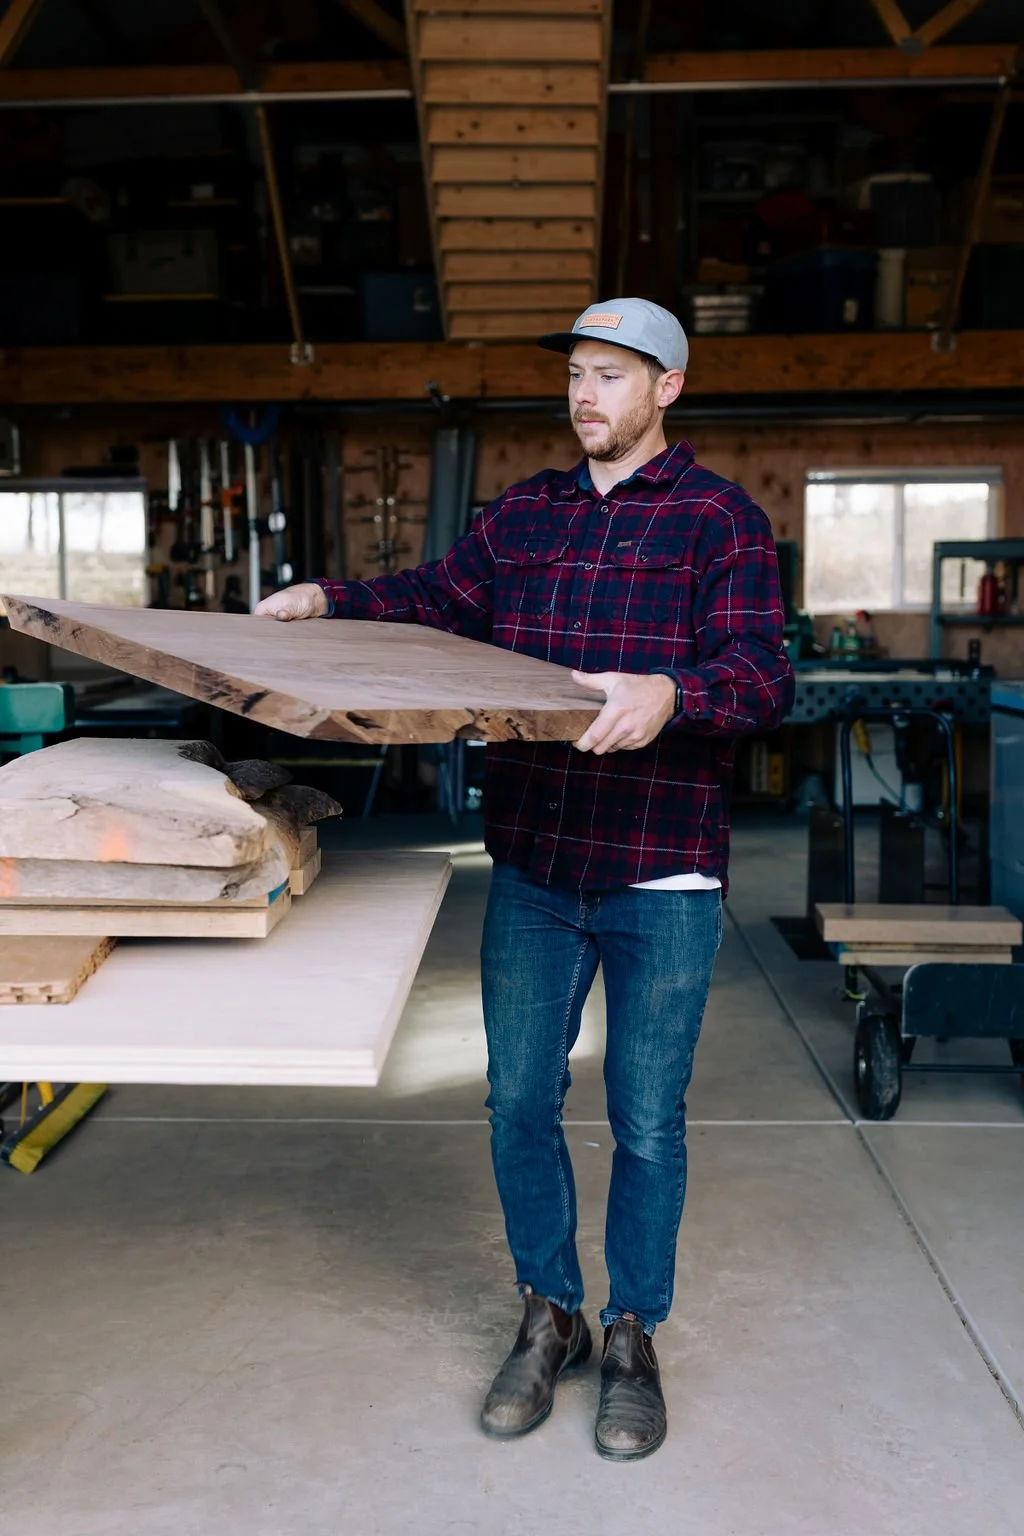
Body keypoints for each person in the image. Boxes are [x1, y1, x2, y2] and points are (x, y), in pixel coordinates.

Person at [255, 298, 796, 1461]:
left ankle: (632, 1333)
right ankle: (549, 1313)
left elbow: (761, 673)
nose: (585, 394)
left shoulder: (719, 521)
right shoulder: (524, 516)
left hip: (661, 874)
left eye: (612, 375)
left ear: (668, 388)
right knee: (516, 1103)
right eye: (576, 374)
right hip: (536, 866)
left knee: (645, 1119)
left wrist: (674, 693)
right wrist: (329, 598)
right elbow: (433, 599)